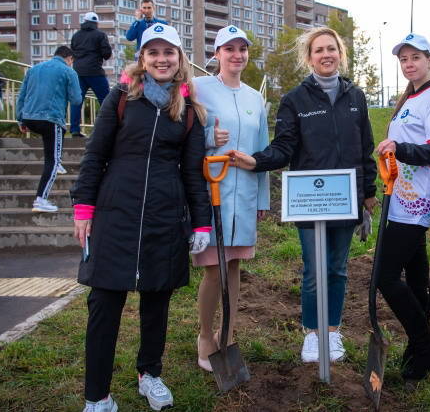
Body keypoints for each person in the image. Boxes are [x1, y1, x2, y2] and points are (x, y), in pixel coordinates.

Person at [71, 23, 212, 412]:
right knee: (104, 303)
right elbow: (95, 155)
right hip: (116, 214)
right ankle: (97, 396)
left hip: (164, 218)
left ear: (179, 59)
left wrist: (200, 223)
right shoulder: (119, 97)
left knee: (157, 301)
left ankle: (149, 373)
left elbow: (193, 173)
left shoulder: (189, 111)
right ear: (143, 59)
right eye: (154, 52)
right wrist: (84, 207)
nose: (162, 59)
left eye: (169, 53)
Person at [228, 26, 377, 364]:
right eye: (318, 50)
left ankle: (333, 332)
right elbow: (284, 147)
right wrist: (256, 162)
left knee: (338, 269)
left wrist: (368, 192)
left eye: (331, 49)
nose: (326, 55)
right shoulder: (295, 100)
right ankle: (313, 332)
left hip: (345, 198)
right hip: (309, 197)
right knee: (314, 270)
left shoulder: (355, 97)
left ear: (340, 54)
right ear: (309, 58)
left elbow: (365, 147)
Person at [375, 33, 430, 380]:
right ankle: (418, 351)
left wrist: (400, 150)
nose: (409, 64)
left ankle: (425, 346)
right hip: (401, 197)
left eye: (415, 58)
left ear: (429, 61)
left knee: (385, 276)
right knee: (417, 277)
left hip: (418, 200)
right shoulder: (410, 97)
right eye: (404, 59)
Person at [191, 24, 270, 372]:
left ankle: (229, 332)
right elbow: (182, 135)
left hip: (245, 195)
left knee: (234, 266)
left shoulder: (256, 98)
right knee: (213, 269)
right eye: (229, 49)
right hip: (213, 194)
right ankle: (205, 335)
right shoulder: (199, 88)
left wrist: (263, 199)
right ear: (217, 53)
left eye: (242, 49)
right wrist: (209, 137)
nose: (237, 55)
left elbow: (263, 152)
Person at [16, 46, 82, 212]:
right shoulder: (68, 71)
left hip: (29, 117)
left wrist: (20, 119)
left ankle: (57, 162)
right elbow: (76, 99)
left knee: (52, 147)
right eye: (72, 61)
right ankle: (41, 200)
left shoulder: (34, 69)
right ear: (69, 58)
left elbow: (22, 95)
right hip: (51, 119)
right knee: (51, 161)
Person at [70, 11, 112, 138]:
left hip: (78, 73)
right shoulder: (100, 35)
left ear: (84, 21)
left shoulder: (76, 36)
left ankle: (74, 130)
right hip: (95, 72)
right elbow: (107, 54)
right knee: (107, 101)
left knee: (77, 101)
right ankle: (110, 128)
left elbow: (72, 52)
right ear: (96, 23)